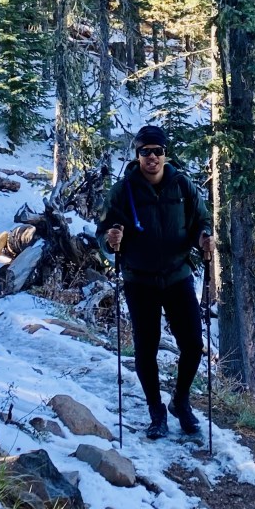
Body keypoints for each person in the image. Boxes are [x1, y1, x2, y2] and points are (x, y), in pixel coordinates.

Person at [98, 124, 214, 438]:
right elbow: (104, 233)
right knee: (145, 349)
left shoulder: (182, 185)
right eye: (145, 152)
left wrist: (205, 237)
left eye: (157, 151)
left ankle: (180, 401)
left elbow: (201, 220)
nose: (152, 157)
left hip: (178, 275)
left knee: (192, 344)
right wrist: (111, 241)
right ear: (137, 155)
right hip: (140, 280)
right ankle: (156, 410)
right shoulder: (124, 190)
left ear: (165, 154)